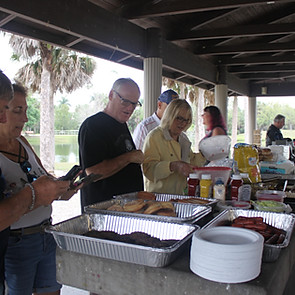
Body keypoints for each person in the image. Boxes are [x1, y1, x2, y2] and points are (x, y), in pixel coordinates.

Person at [0, 83, 77, 295]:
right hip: (16, 242)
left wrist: (62, 188)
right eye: (17, 111)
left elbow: (44, 180)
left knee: (51, 289)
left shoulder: (23, 142)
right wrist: (36, 193)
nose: (25, 118)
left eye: (25, 110)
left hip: (46, 233)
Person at [78, 78, 144, 211]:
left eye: (134, 104)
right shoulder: (93, 126)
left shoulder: (121, 124)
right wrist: (129, 157)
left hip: (126, 207)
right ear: (111, 95)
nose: (130, 108)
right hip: (104, 211)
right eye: (125, 101)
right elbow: (93, 172)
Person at [142, 99, 206, 194]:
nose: (183, 123)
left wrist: (204, 153)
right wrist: (172, 166)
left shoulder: (183, 139)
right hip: (158, 199)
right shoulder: (154, 136)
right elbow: (149, 170)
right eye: (179, 118)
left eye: (186, 120)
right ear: (169, 116)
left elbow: (191, 162)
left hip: (180, 197)